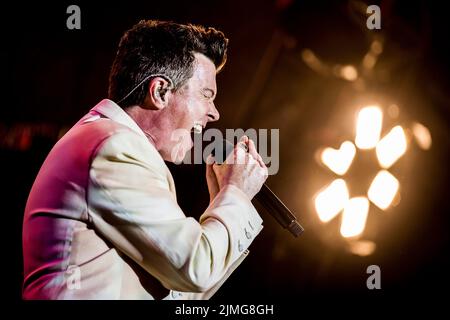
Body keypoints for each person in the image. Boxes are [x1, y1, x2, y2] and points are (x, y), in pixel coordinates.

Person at [22, 20, 268, 299]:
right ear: (160, 91)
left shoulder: (110, 143)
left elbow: (179, 291)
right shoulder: (115, 148)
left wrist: (225, 201)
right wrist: (235, 194)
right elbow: (195, 268)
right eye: (206, 95)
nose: (214, 113)